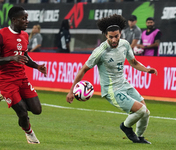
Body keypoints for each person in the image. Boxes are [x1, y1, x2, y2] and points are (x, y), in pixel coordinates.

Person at [66, 14, 158, 144]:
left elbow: (134, 62)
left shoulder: (125, 44)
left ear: (120, 34)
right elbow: (83, 70)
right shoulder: (100, 51)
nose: (114, 40)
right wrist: (71, 91)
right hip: (112, 90)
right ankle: (125, 127)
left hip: (124, 84)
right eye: (111, 37)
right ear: (106, 36)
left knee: (146, 112)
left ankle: (139, 137)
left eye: (117, 36)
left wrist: (147, 69)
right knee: (141, 110)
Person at [0, 6, 47, 144]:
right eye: (23, 18)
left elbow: (24, 56)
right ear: (14, 20)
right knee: (22, 112)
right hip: (6, 80)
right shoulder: (0, 35)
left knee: (37, 110)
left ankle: (6, 96)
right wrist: (11, 58)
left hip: (22, 78)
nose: (27, 21)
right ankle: (30, 134)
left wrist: (37, 66)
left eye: (27, 18)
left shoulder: (25, 35)